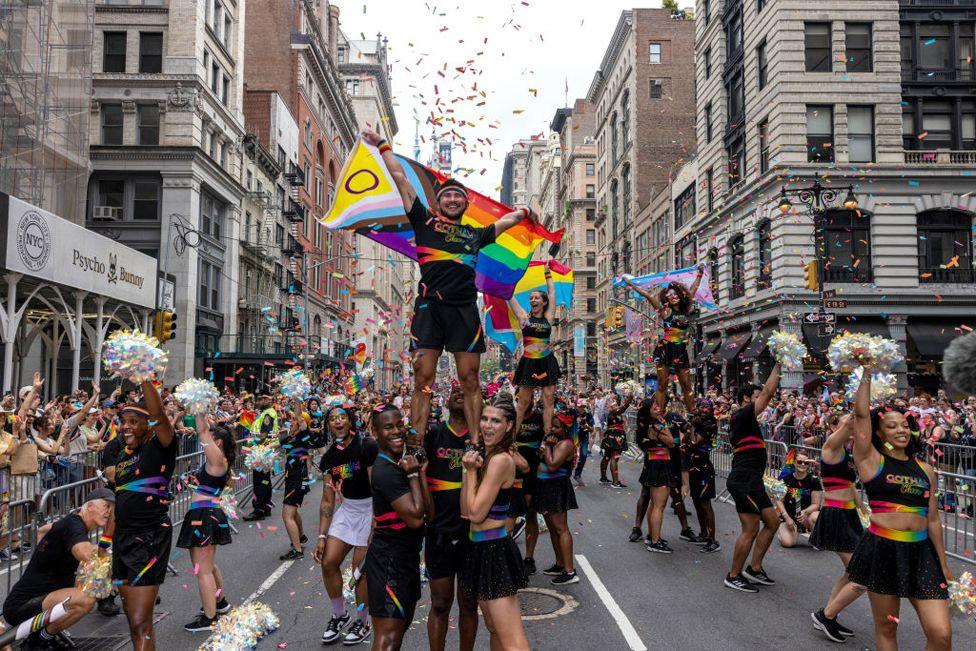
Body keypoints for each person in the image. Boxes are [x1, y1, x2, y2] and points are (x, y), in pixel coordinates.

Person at [362, 127, 540, 444]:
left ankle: (477, 442)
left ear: (465, 204)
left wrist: (526, 212)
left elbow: (507, 221)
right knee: (423, 380)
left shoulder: (476, 234)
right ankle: (415, 445)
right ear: (440, 202)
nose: (454, 198)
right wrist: (382, 145)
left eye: (459, 195)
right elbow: (400, 178)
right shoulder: (423, 220)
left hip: (463, 311)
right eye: (448, 195)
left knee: (470, 379)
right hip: (429, 309)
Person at [843, 371, 952, 649]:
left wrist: (943, 564)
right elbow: (862, 416)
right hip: (883, 550)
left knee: (941, 635)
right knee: (887, 629)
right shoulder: (870, 460)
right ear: (879, 433)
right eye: (892, 427)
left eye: (904, 425)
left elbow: (934, 520)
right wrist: (866, 372)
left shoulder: (926, 470)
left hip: (921, 554)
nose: (901, 430)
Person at [108, 380, 176, 651]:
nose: (126, 426)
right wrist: (104, 544)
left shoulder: (161, 446)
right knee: (135, 622)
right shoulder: (125, 458)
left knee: (139, 622)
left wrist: (144, 376)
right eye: (124, 421)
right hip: (122, 540)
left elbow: (158, 415)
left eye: (134, 421)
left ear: (147, 426)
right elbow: (119, 500)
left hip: (148, 536)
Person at [1, 488, 112, 650]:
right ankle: (38, 641)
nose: (109, 512)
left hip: (41, 600)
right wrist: (105, 546)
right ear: (89, 506)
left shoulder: (70, 522)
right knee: (86, 599)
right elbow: (84, 553)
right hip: (21, 605)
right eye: (106, 506)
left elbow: (42, 529)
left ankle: (44, 637)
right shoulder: (74, 524)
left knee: (89, 590)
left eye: (112, 509)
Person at [460, 401, 529, 650]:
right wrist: (469, 471)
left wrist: (469, 472)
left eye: (496, 421)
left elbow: (476, 514)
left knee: (513, 642)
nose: (488, 425)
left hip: (495, 551)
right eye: (485, 419)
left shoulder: (500, 460)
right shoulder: (487, 457)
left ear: (509, 426)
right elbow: (465, 511)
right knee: (493, 628)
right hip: (479, 549)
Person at [365, 405, 429, 650]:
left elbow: (428, 512)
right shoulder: (384, 471)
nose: (396, 432)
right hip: (388, 561)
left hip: (407, 558)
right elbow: (415, 518)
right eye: (388, 427)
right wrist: (413, 476)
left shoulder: (400, 463)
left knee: (400, 630)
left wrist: (418, 470)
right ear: (375, 432)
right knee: (388, 637)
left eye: (399, 425)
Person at [315, 405, 379, 646]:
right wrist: (322, 535)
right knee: (328, 561)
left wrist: (376, 522)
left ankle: (363, 622)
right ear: (328, 425)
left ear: (350, 421)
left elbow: (377, 486)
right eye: (332, 419)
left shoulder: (367, 446)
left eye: (342, 417)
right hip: (348, 510)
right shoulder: (329, 458)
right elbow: (327, 498)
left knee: (358, 569)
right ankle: (339, 615)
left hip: (370, 508)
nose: (338, 422)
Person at [422, 386, 479, 651]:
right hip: (439, 532)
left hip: (472, 533)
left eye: (465, 392)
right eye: (454, 391)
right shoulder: (433, 433)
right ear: (445, 400)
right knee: (440, 603)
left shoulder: (480, 439)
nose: (459, 394)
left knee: (468, 604)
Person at [724, 362, 781, 593]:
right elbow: (768, 392)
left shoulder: (748, 420)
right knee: (750, 529)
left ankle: (754, 568)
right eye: (756, 397)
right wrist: (779, 363)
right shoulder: (741, 414)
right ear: (747, 399)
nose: (764, 402)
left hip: (753, 481)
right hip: (743, 480)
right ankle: (733, 575)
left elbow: (766, 394)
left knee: (773, 522)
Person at [810, 414, 867, 643]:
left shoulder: (845, 452)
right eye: (845, 423)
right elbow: (850, 422)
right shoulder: (831, 447)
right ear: (834, 427)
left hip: (849, 514)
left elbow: (850, 486)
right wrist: (857, 412)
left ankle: (829, 614)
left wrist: (864, 509)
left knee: (851, 571)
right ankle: (826, 616)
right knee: (859, 571)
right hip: (836, 515)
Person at [177, 413, 235, 632]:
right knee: (207, 566)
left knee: (202, 569)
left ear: (217, 442)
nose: (206, 440)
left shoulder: (217, 458)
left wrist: (199, 406)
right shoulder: (220, 459)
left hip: (204, 515)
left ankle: (209, 617)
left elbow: (202, 431)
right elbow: (204, 431)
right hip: (205, 513)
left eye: (211, 438)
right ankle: (219, 603)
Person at [623, 267, 704, 412]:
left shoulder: (686, 308)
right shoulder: (665, 311)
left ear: (680, 295)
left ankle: (692, 413)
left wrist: (700, 273)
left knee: (687, 385)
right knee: (662, 384)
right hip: (666, 348)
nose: (673, 297)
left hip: (680, 349)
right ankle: (658, 414)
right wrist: (631, 284)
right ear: (666, 298)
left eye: (675, 294)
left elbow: (693, 288)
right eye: (669, 295)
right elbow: (647, 295)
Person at [508, 263, 560, 435]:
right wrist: (509, 278)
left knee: (549, 399)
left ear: (543, 302)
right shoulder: (523, 317)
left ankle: (547, 434)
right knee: (523, 402)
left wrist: (548, 274)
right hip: (529, 361)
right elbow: (509, 296)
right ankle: (513, 437)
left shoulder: (548, 317)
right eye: (531, 298)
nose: (533, 300)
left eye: (536, 298)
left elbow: (552, 293)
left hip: (546, 361)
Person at [534, 412, 580, 583]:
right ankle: (560, 563)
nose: (552, 429)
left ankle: (569, 571)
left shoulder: (566, 444)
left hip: (556, 487)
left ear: (566, 428)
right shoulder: (556, 442)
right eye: (552, 426)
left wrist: (547, 446)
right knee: (553, 528)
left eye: (557, 427)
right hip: (545, 486)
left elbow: (552, 464)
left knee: (561, 528)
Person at [631, 398, 675, 552]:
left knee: (654, 504)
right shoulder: (655, 425)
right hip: (660, 463)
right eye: (655, 406)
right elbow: (671, 442)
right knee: (659, 505)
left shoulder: (647, 425)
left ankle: (652, 535)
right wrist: (664, 426)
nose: (659, 407)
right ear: (648, 409)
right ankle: (655, 542)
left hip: (653, 462)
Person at [514, 396, 544, 576]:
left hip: (533, 473)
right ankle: (506, 558)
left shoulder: (540, 417)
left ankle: (529, 557)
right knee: (508, 515)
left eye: (529, 397)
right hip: (511, 472)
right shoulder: (511, 416)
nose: (525, 401)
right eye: (520, 398)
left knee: (531, 513)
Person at [279, 398, 311, 560]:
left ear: (300, 423)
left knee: (287, 515)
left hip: (297, 478)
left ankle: (297, 550)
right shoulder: (291, 437)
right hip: (292, 478)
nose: (290, 422)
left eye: (293, 420)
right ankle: (301, 536)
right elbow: (278, 444)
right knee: (293, 510)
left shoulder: (303, 435)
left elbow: (299, 417)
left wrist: (297, 400)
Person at [685, 401, 720, 553]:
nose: (704, 410)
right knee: (697, 501)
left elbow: (693, 442)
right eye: (702, 407)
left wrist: (692, 426)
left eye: (707, 408)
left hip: (704, 468)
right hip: (693, 467)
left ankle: (712, 540)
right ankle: (703, 533)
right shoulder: (698, 423)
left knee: (705, 503)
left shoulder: (710, 424)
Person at [775, 450, 821, 548]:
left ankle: (814, 537)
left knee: (815, 517)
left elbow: (816, 504)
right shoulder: (785, 478)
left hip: (806, 516)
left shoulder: (814, 480)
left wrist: (805, 512)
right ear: (794, 462)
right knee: (788, 543)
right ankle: (783, 532)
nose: (803, 465)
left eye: (806, 463)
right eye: (800, 462)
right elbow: (779, 500)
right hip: (790, 516)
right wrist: (786, 517)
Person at [243, 393, 277, 522]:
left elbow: (263, 434)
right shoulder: (265, 413)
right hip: (265, 451)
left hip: (262, 452)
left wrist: (251, 442)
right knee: (265, 480)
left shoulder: (268, 413)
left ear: (267, 399)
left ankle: (258, 510)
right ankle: (266, 507)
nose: (258, 401)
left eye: (260, 399)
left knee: (259, 482)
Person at [599, 394, 633, 488]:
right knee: (615, 457)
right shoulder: (613, 412)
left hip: (611, 435)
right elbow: (623, 408)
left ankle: (603, 478)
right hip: (615, 436)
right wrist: (628, 400)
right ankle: (615, 482)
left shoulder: (612, 413)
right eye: (612, 401)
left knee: (607, 456)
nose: (615, 403)